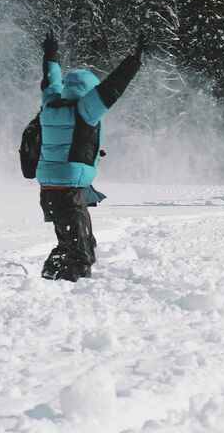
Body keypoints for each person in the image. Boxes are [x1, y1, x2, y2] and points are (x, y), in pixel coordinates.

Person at [38, 29, 143, 281]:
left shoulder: (50, 103)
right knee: (80, 257)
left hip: (52, 190)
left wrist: (51, 54)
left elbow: (49, 81)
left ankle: (48, 281)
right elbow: (112, 88)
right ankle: (61, 296)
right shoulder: (84, 110)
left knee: (80, 244)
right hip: (68, 192)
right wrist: (134, 61)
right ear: (89, 91)